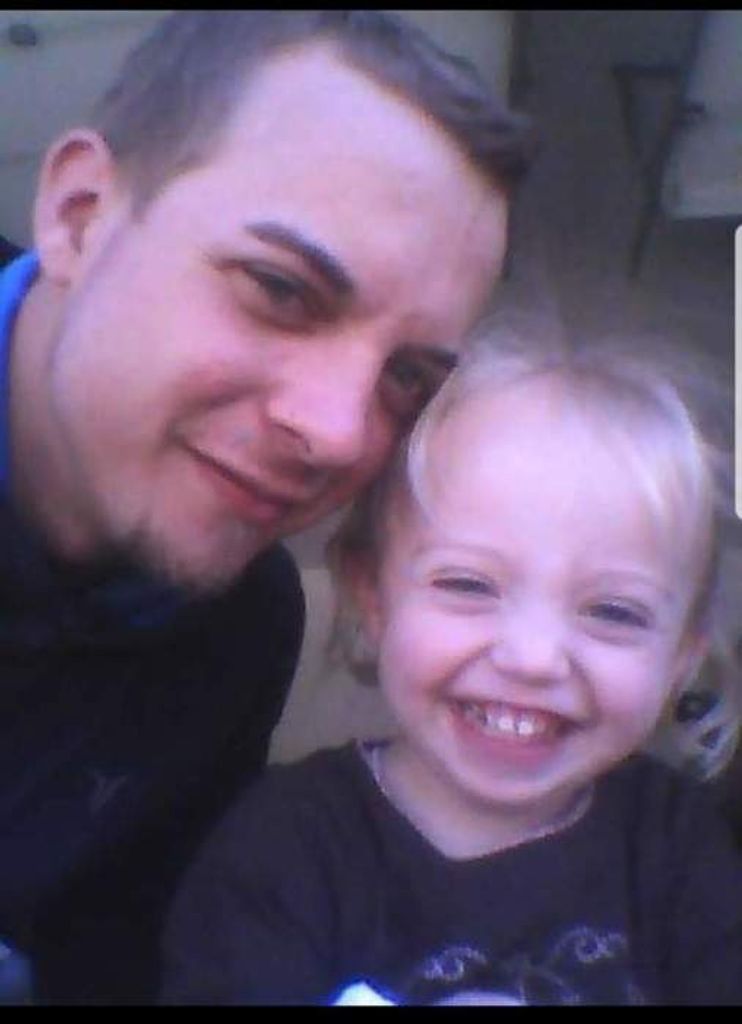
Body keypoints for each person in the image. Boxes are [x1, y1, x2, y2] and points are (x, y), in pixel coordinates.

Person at [0, 10, 530, 1005]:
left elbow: (115, 958)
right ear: (78, 216)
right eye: (281, 291)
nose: (339, 433)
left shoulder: (239, 625)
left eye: (407, 378)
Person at [161, 319, 742, 1005]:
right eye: (468, 585)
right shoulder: (283, 851)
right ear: (372, 597)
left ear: (681, 657)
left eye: (614, 612)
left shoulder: (677, 849)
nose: (532, 658)